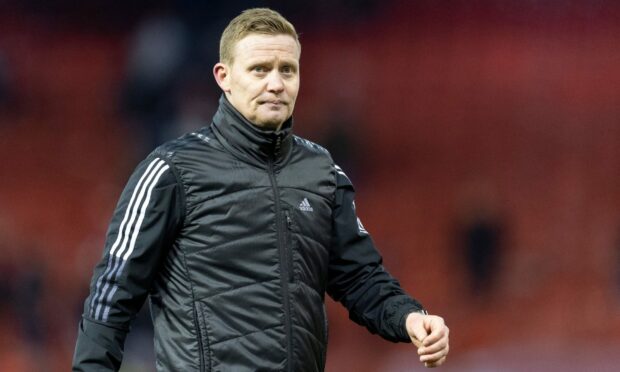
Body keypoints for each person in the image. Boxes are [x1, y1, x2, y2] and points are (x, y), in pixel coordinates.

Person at [72, 8, 449, 371]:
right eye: (259, 70)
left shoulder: (321, 173)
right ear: (224, 77)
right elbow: (112, 295)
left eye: (288, 69)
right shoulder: (170, 172)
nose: (276, 83)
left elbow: (360, 278)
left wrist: (411, 317)